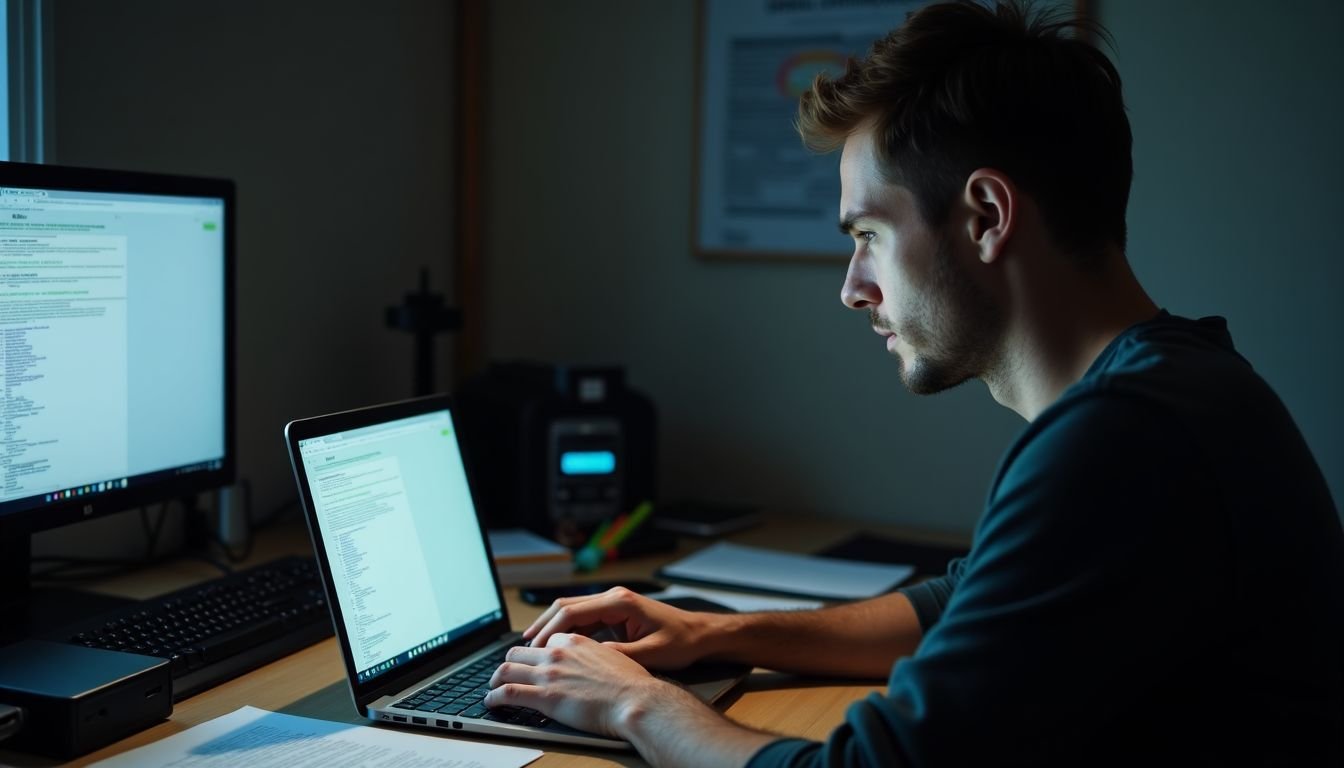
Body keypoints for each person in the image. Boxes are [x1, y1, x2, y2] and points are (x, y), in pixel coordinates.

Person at [485, 1, 1344, 765]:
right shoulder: (1176, 386)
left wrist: (631, 703)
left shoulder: (1123, 439)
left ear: (985, 217)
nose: (853, 286)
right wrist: (713, 632)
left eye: (868, 233)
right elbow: (961, 599)